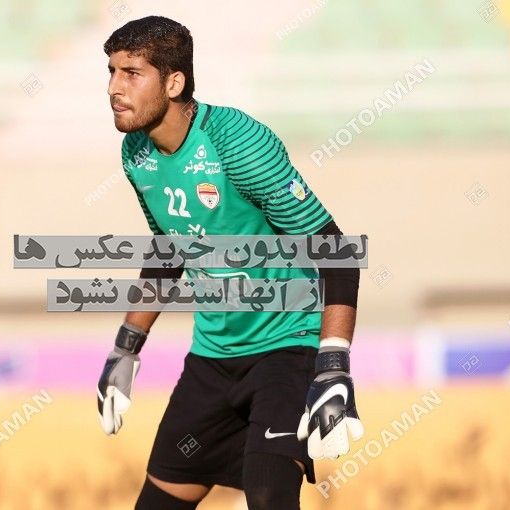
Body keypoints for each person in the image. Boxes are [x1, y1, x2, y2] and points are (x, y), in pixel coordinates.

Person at [97, 15, 363, 510]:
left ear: (174, 83)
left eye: (131, 73)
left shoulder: (236, 142)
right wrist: (125, 348)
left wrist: (333, 365)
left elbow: (338, 254)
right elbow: (169, 249)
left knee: (267, 495)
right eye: (111, 72)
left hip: (287, 349)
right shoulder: (135, 152)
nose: (114, 87)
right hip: (213, 357)